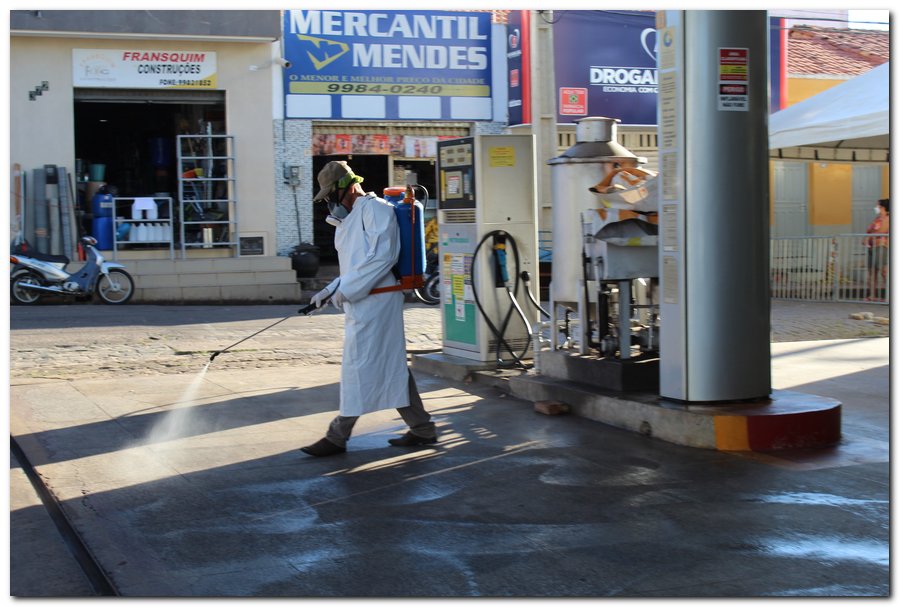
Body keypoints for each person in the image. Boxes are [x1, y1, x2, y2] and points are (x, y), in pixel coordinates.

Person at [300, 161, 438, 457]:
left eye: (330, 194)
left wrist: (345, 291)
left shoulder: (376, 210)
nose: (329, 202)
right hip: (364, 301)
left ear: (347, 187)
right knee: (388, 365)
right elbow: (355, 267)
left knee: (360, 367)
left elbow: (383, 258)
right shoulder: (351, 219)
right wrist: (328, 292)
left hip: (378, 302)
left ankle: (337, 436)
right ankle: (423, 429)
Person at [864, 198, 890, 302]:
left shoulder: (887, 218)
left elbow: (882, 231)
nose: (876, 207)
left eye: (878, 206)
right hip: (872, 246)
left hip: (881, 246)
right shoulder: (877, 218)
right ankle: (872, 295)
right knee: (872, 272)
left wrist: (869, 237)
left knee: (884, 271)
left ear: (883, 207)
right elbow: (870, 230)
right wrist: (866, 238)